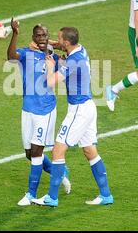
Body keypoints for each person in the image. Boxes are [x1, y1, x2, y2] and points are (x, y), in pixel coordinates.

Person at [32, 27, 114, 207]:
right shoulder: (81, 50)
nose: (58, 41)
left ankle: (52, 198)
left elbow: (50, 82)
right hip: (89, 107)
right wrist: (48, 43)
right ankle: (106, 194)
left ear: (67, 43)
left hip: (79, 111)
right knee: (90, 151)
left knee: (57, 151)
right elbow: (62, 48)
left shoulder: (72, 62)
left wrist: (51, 67)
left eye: (60, 39)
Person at [7, 18, 71, 206]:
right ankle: (60, 173)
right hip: (28, 108)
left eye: (45, 35)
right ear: (33, 37)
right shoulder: (26, 54)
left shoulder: (54, 59)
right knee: (29, 153)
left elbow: (70, 51)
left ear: (48, 37)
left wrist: (54, 47)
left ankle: (30, 195)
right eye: (39, 35)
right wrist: (15, 33)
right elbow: (10, 56)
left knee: (36, 152)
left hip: (45, 109)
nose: (42, 38)